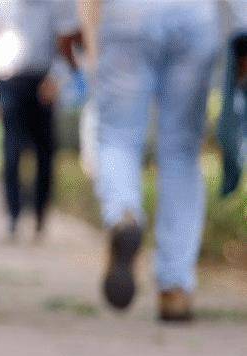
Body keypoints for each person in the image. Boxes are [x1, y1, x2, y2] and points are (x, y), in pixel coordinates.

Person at [82, 0, 220, 321]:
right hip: (195, 15)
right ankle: (175, 287)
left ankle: (123, 215)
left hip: (127, 14)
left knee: (117, 135)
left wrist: (87, 39)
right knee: (182, 152)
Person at [0, 0, 79, 240]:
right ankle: (13, 215)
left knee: (45, 152)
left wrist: (57, 79)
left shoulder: (55, 5)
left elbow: (67, 45)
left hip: (43, 81)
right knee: (11, 149)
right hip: (10, 82)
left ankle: (40, 214)